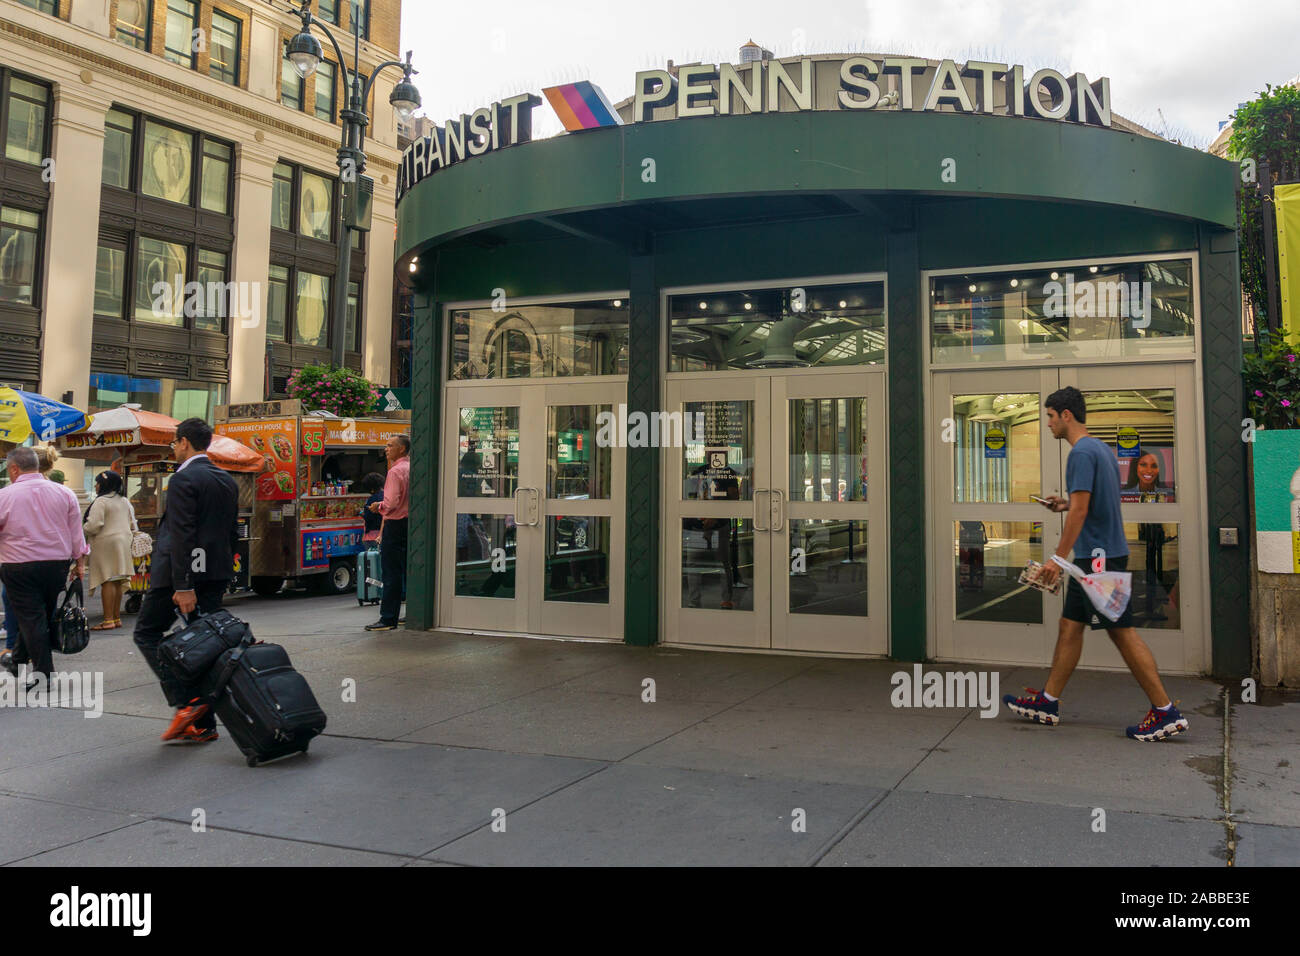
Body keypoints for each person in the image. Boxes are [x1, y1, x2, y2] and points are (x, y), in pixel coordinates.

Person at [1003, 387, 1188, 742]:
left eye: (1050, 417)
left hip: (1098, 559)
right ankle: (1048, 702)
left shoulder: (1081, 454)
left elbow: (1082, 510)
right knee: (1070, 627)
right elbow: (1093, 503)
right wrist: (1064, 505)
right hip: (1096, 556)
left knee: (1122, 632)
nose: (1048, 424)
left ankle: (1165, 711)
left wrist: (1057, 558)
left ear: (1066, 415)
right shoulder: (1100, 449)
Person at [132, 418, 238, 744]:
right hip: (215, 572)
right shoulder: (226, 479)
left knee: (147, 632)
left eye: (174, 443)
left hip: (179, 576)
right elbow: (230, 532)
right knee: (204, 644)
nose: (174, 449)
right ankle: (204, 723)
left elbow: (182, 534)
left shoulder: (182, 479)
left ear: (184, 443)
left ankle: (188, 700)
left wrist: (183, 584)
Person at [0, 447, 88, 687]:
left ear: (14, 469)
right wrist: (80, 562)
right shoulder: (65, 493)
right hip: (56, 565)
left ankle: (44, 674)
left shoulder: (5, 496)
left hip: (18, 565)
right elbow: (76, 532)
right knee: (40, 614)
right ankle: (17, 660)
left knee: (31, 617)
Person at [365, 434, 410, 631]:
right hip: (410, 524)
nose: (386, 449)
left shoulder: (395, 471)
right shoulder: (412, 468)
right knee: (407, 571)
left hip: (395, 524)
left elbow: (391, 503)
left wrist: (379, 506)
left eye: (390, 445)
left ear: (402, 449)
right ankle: (411, 612)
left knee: (391, 573)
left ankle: (388, 618)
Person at [83, 470, 135, 630]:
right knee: (118, 580)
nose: (96, 486)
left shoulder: (101, 501)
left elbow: (94, 525)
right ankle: (116, 618)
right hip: (123, 542)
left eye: (98, 482)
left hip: (106, 543)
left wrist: (82, 529)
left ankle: (108, 620)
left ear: (104, 484)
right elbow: (132, 522)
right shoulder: (124, 500)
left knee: (107, 580)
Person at [361, 472, 384, 544]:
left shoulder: (372, 499)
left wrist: (361, 513)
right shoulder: (387, 496)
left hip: (372, 535)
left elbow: (368, 517)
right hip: (384, 533)